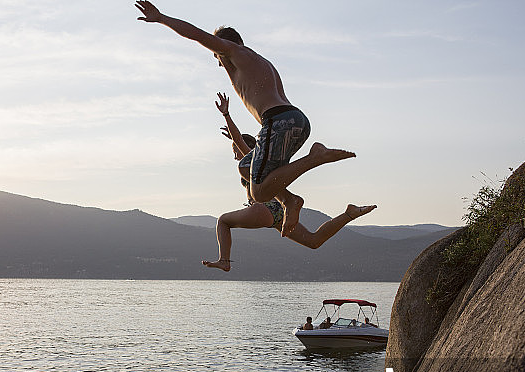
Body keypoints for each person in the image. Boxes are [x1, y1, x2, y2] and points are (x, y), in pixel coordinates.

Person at [135, 1, 374, 236]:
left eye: (217, 56)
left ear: (224, 45)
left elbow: (197, 35)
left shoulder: (234, 52)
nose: (218, 63)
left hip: (278, 122)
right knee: (245, 166)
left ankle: (315, 158)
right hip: (295, 120)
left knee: (258, 193)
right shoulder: (257, 61)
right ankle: (289, 200)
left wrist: (162, 18)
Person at [202, 93, 380, 272]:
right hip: (279, 212)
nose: (235, 155)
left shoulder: (254, 160)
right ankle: (349, 214)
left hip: (264, 208)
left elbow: (241, 142)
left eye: (235, 152)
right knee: (313, 241)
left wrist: (227, 115)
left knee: (223, 221)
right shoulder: (263, 164)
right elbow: (239, 141)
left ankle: (224, 260)